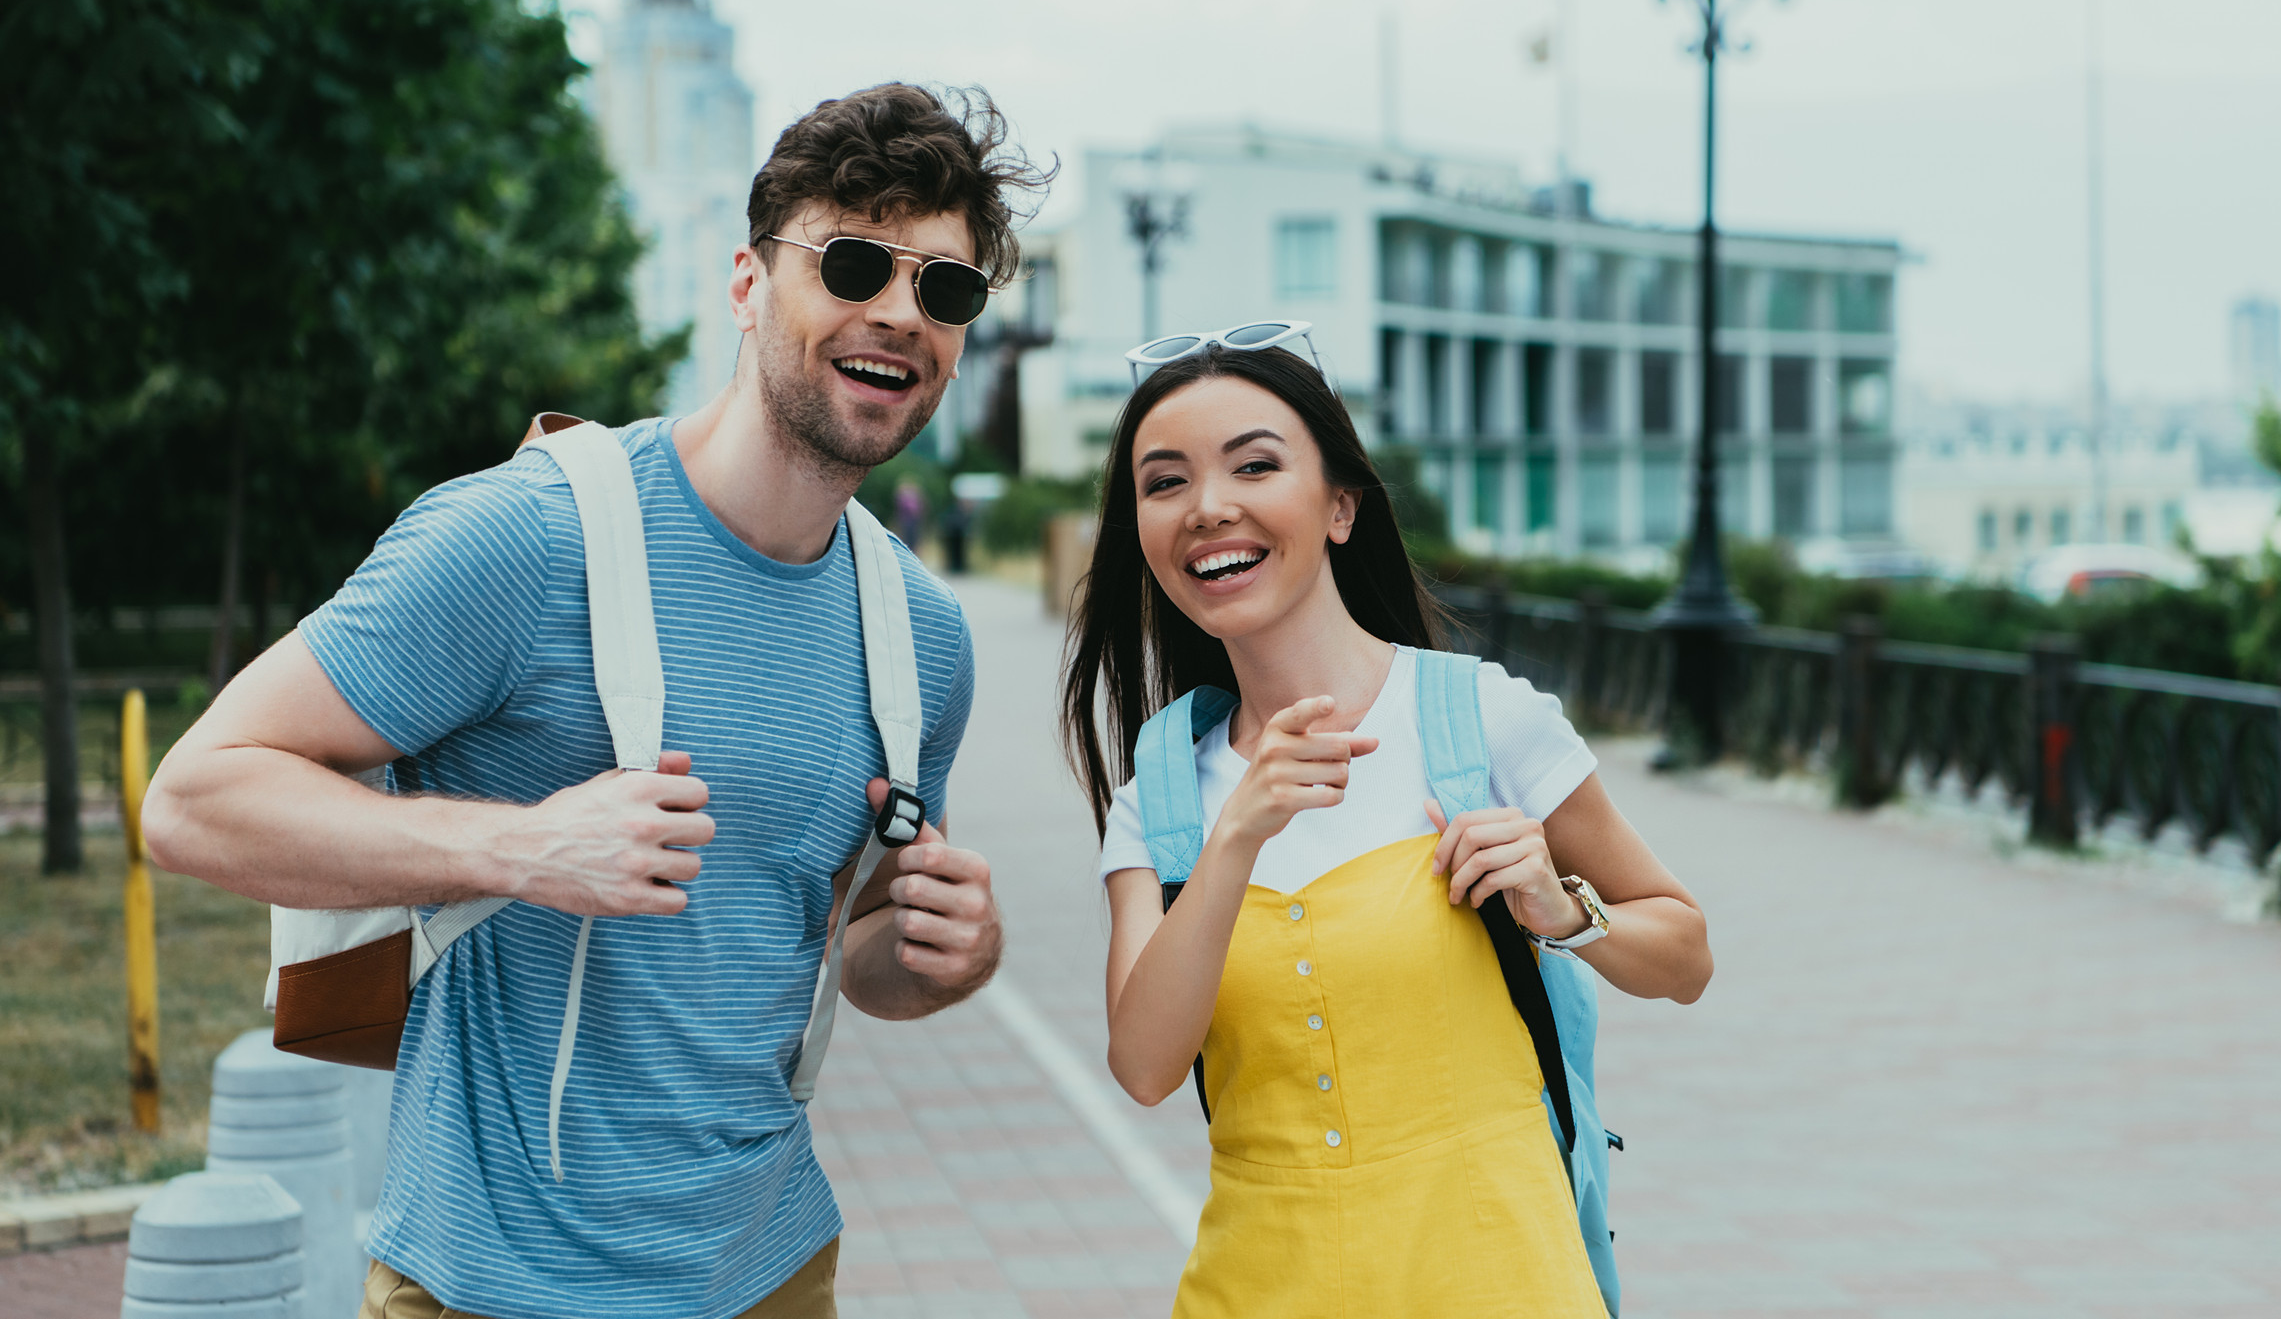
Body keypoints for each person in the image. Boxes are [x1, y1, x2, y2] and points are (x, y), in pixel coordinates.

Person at [145, 84, 1051, 1319]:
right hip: (488, 1282)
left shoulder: (922, 637)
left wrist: (946, 956)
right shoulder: (528, 535)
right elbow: (192, 800)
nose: (899, 311)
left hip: (775, 1272)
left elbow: (855, 951)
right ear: (745, 281)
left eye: (944, 288)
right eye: (852, 262)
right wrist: (518, 843)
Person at [1063, 333, 1712, 1317]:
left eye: (1254, 463)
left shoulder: (1482, 718)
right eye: (1165, 482)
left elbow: (1686, 954)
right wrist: (1235, 832)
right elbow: (1146, 1066)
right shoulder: (1158, 794)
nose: (1207, 507)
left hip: (1502, 1284)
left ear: (1339, 505)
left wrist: (1562, 909)